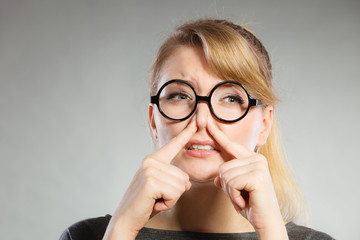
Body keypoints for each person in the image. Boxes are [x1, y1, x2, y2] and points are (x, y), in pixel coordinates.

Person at [60, 19, 334, 239]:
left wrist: (271, 233)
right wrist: (121, 231)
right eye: (179, 96)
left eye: (231, 98)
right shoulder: (88, 236)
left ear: (264, 124)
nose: (202, 120)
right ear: (154, 120)